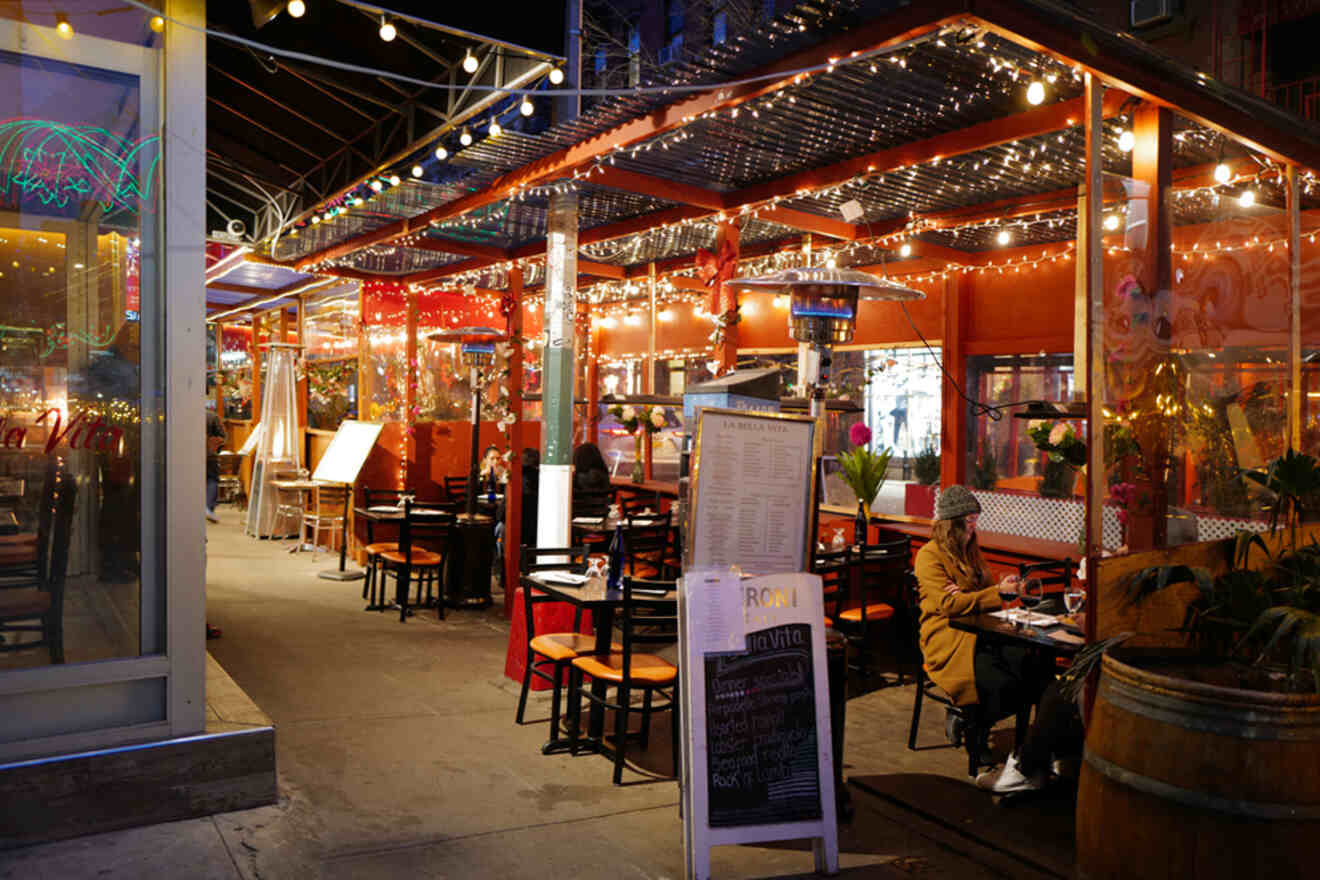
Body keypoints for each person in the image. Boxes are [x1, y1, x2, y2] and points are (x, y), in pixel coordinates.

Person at [914, 485, 1079, 793]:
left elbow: (980, 592)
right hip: (948, 640)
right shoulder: (929, 556)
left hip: (982, 633)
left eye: (976, 519)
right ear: (952, 523)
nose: (974, 526)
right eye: (969, 520)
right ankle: (974, 730)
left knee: (1036, 668)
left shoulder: (971, 553)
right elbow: (948, 606)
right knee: (1001, 680)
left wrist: (997, 588)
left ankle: (1043, 751)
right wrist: (990, 594)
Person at [206, 404, 226, 523]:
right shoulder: (212, 417)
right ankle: (208, 507)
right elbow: (223, 436)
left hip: (189, 454)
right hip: (209, 454)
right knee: (212, 479)